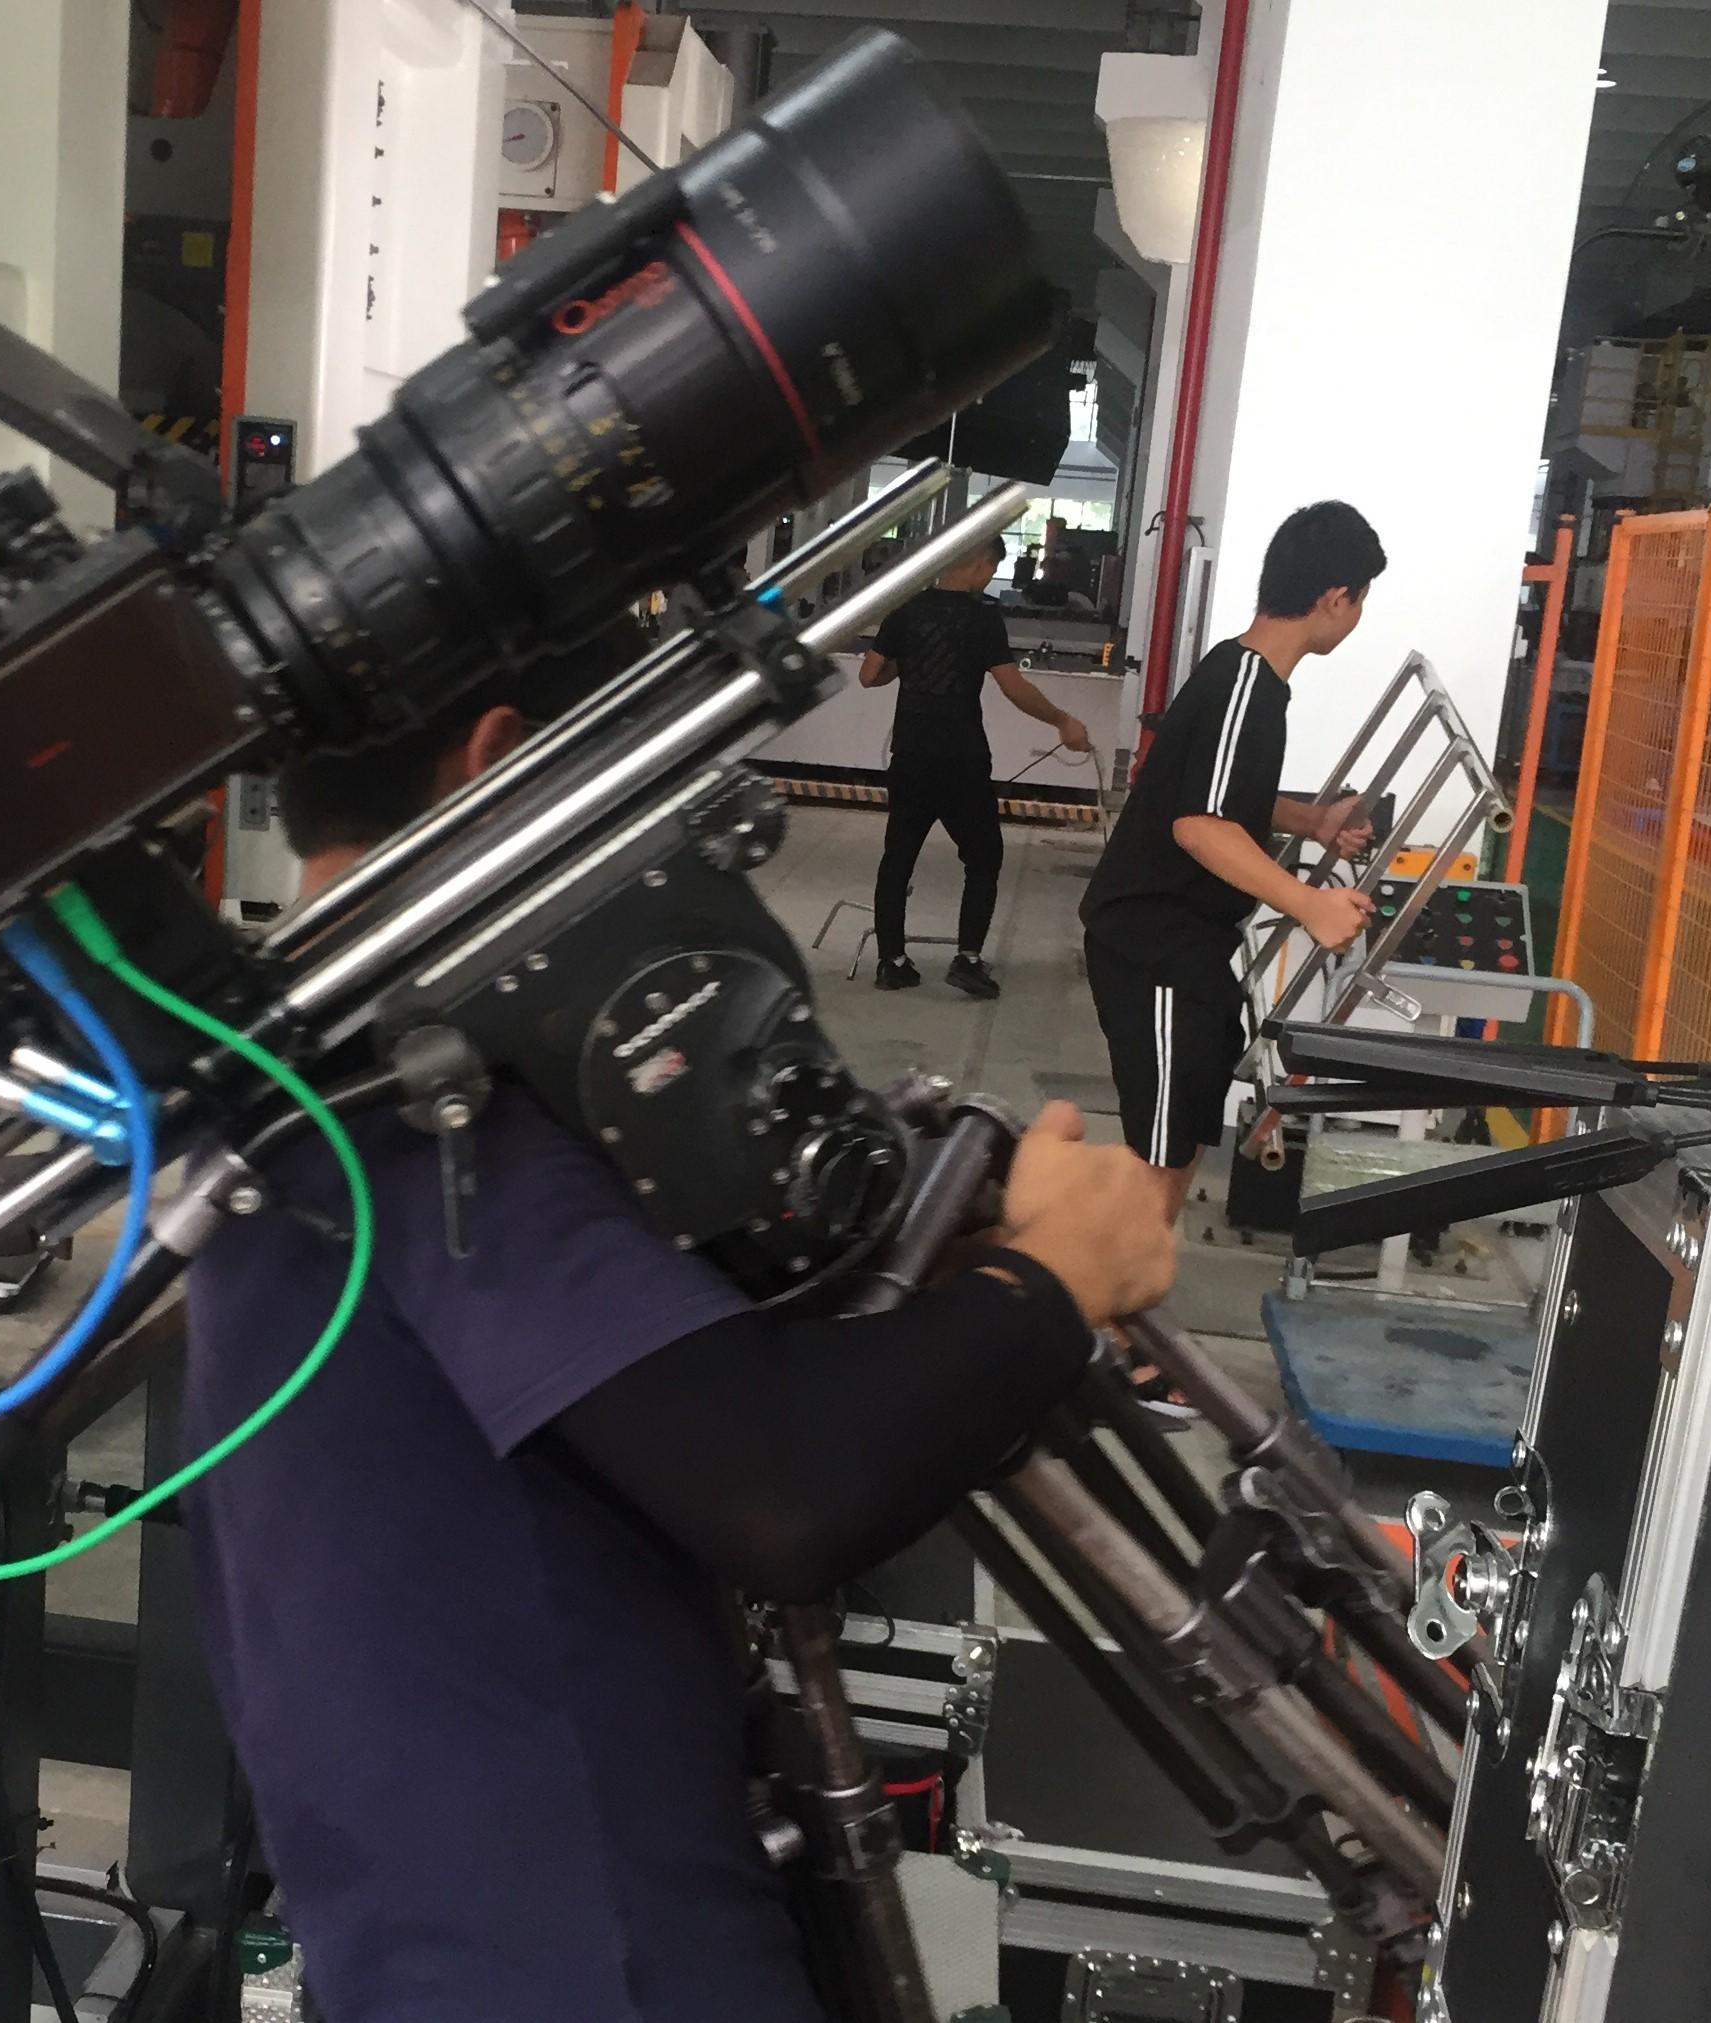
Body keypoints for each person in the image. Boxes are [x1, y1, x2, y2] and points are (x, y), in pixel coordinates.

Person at [179, 648, 1178, 2023]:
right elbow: (780, 1485)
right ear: (501, 761)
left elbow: (662, 1372)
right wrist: (1061, 1276)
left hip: (453, 1923)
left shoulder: (307, 1071)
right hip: (581, 1964)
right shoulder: (426, 1111)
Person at [1079, 500, 1385, 1221]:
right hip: (1153, 944)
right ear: (1334, 598)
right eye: (1361, 599)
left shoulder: (1246, 674)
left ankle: (1139, 1279)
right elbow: (1199, 826)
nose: (1357, 616)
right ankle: (1115, 1287)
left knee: (1182, 1139)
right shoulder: (1245, 686)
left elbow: (1218, 794)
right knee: (1156, 1160)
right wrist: (1308, 905)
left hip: (1190, 946)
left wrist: (1310, 820)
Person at [861, 540, 1090, 1000]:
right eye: (991, 570)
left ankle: (892, 962)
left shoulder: (906, 610)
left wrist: (910, 662)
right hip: (961, 757)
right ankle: (967, 960)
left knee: (898, 858)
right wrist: (1062, 720)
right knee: (984, 858)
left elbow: (870, 676)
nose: (988, 579)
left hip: (910, 755)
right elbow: (1013, 687)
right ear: (980, 564)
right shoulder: (982, 617)